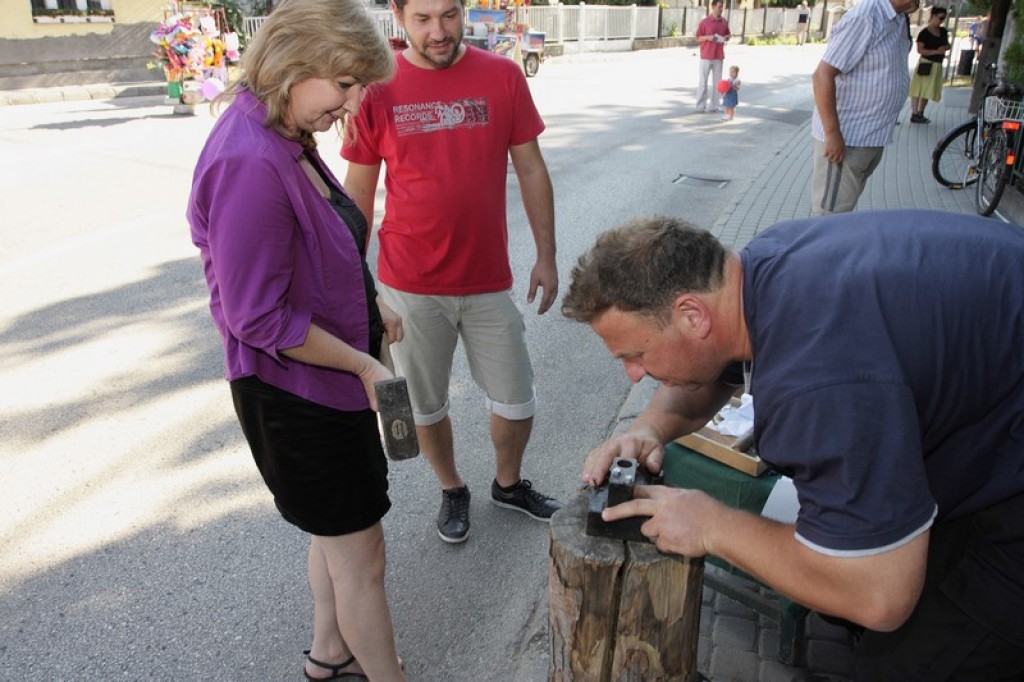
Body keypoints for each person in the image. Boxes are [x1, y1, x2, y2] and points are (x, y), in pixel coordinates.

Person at [562, 213, 1024, 681]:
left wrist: (712, 526)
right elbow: (714, 366)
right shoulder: (759, 271)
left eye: (636, 355)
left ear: (692, 315)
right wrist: (648, 429)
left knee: (903, 662)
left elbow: (880, 595)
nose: (634, 375)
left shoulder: (818, 381)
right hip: (993, 409)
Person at [186, 0, 407, 679]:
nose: (353, 103)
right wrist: (363, 365)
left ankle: (330, 653)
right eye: (345, 84)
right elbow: (258, 318)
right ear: (295, 62)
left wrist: (371, 300)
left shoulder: (283, 130)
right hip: (297, 392)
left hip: (321, 380)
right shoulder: (251, 160)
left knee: (335, 536)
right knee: (361, 555)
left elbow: (324, 238)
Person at [342, 0, 561, 545]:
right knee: (425, 405)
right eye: (423, 19)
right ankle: (452, 487)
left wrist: (547, 254)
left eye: (449, 15)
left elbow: (531, 167)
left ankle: (507, 483)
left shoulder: (503, 76)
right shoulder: (377, 90)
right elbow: (358, 193)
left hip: (487, 279)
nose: (438, 31)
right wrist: (355, 284)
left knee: (517, 398)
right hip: (408, 283)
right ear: (398, 14)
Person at [810, 0, 918, 215]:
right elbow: (822, 75)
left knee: (842, 212)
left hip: (870, 137)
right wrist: (832, 134)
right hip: (847, 140)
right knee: (830, 216)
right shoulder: (865, 16)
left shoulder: (898, 17)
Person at [909, 7, 950, 124]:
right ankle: (914, 113)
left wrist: (945, 48)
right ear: (933, 16)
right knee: (918, 89)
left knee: (927, 91)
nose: (942, 20)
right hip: (926, 63)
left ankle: (920, 113)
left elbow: (948, 45)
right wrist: (936, 51)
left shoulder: (943, 31)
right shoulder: (924, 33)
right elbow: (920, 50)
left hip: (937, 64)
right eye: (940, 18)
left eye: (944, 18)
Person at [695, 0, 731, 113]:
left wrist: (727, 37)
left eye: (722, 7)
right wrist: (708, 37)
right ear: (713, 7)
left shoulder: (724, 21)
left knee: (717, 82)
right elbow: (698, 38)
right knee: (703, 82)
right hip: (706, 56)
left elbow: (728, 34)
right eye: (719, 7)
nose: (721, 9)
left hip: (718, 56)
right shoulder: (705, 22)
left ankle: (714, 105)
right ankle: (700, 105)